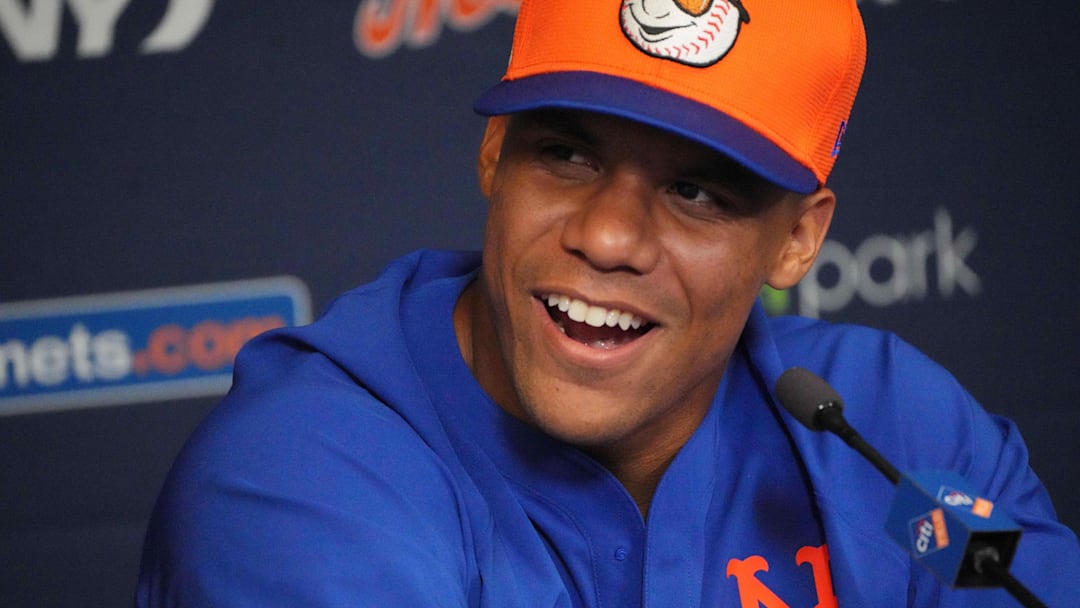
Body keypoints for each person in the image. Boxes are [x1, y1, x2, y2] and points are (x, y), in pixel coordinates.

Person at [136, 0, 1080, 606]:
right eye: (569, 153)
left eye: (699, 191)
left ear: (799, 237)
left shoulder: (891, 430)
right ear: (495, 151)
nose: (610, 236)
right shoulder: (301, 473)